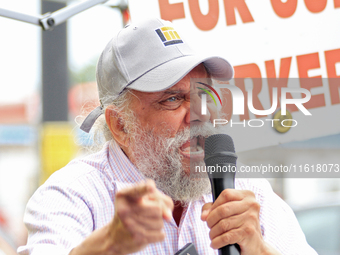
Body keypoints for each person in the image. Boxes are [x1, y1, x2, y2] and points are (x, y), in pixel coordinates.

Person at [18, 18, 316, 255]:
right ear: (120, 125)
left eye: (204, 93)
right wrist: (109, 244)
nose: (199, 114)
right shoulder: (73, 194)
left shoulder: (251, 193)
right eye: (173, 99)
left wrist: (260, 250)